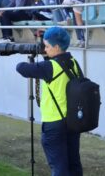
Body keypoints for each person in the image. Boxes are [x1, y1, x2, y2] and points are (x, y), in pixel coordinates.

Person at [16, 27, 83, 176]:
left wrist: (28, 52)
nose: (45, 50)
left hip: (54, 124)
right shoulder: (73, 62)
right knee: (74, 164)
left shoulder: (49, 67)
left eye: (47, 46)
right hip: (72, 122)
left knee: (59, 168)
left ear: (57, 47)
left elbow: (21, 68)